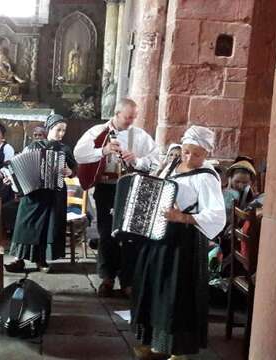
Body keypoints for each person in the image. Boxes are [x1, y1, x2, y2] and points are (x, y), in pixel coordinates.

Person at [131, 126, 226, 359]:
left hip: (185, 242)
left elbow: (217, 215)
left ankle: (178, 350)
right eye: (186, 151)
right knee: (156, 289)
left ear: (206, 153)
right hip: (161, 236)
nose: (189, 157)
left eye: (196, 153)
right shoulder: (173, 165)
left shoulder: (207, 177)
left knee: (177, 295)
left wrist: (183, 217)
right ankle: (155, 343)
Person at [74, 98, 159, 297]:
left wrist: (137, 160)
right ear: (117, 113)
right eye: (128, 117)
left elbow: (156, 159)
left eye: (133, 117)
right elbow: (79, 154)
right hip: (106, 187)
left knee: (130, 234)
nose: (131, 121)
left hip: (131, 187)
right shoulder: (97, 131)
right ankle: (107, 278)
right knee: (106, 232)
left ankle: (128, 280)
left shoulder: (139, 135)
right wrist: (103, 151)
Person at [5, 114, 76, 273]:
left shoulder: (65, 149)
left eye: (63, 131)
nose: (61, 134)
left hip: (54, 194)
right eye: (58, 130)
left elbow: (74, 171)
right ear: (49, 128)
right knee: (25, 223)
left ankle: (41, 260)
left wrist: (70, 171)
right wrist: (11, 179)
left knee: (46, 227)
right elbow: (18, 168)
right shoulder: (33, 147)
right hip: (33, 193)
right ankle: (18, 259)